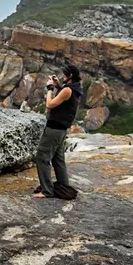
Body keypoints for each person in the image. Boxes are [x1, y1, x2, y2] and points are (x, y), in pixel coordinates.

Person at [32, 64, 83, 199]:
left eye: (65, 74)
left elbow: (49, 104)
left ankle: (46, 190)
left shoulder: (67, 90)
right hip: (61, 130)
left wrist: (50, 88)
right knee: (58, 159)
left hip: (54, 129)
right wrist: (59, 85)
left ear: (70, 75)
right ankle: (63, 186)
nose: (63, 76)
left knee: (42, 158)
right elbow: (66, 96)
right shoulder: (76, 87)